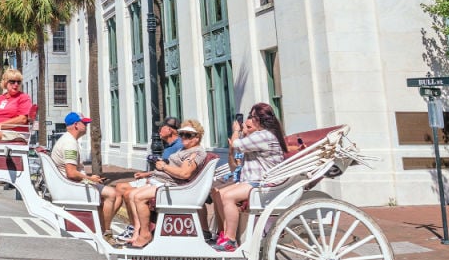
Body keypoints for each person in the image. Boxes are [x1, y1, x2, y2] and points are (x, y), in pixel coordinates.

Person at [210, 102, 288, 252]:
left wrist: (236, 130)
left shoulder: (264, 135)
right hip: (253, 180)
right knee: (220, 193)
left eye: (251, 117)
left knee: (228, 197)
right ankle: (225, 235)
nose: (249, 120)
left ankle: (230, 240)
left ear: (259, 119)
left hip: (263, 183)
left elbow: (236, 144)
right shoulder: (261, 135)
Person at [122, 119, 209, 248]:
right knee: (132, 195)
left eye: (188, 135)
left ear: (197, 137)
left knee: (138, 197)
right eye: (182, 134)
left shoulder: (195, 152)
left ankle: (145, 234)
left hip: (174, 187)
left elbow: (185, 173)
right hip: (164, 182)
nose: (183, 137)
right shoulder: (185, 150)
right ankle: (138, 232)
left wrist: (164, 167)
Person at [50, 112, 125, 246]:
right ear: (76, 125)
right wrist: (90, 179)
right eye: (84, 123)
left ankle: (102, 227)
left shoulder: (69, 140)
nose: (86, 125)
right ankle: (106, 233)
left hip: (72, 183)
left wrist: (90, 178)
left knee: (119, 194)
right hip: (72, 185)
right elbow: (71, 173)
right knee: (112, 193)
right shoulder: (69, 143)